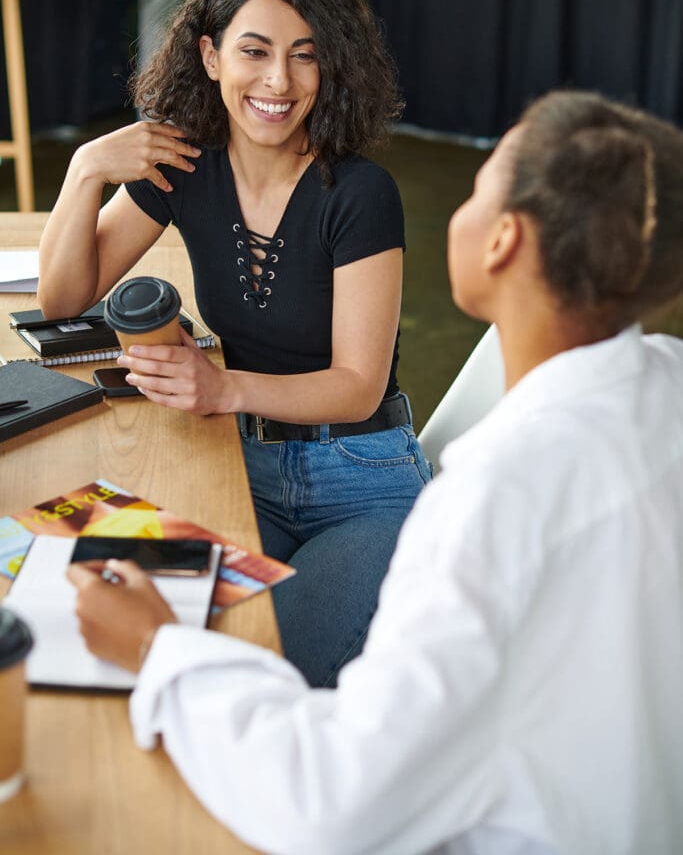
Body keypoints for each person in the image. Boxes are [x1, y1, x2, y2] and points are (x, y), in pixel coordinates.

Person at [66, 88, 683, 853]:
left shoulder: (490, 502)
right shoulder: (666, 384)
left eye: (478, 185)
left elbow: (332, 803)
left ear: (501, 241)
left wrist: (161, 653)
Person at [38, 0, 431, 687]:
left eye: (304, 57)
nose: (278, 82)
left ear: (330, 68)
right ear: (211, 56)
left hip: (360, 482)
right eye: (254, 51)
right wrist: (86, 166)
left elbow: (355, 384)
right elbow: (64, 297)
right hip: (237, 464)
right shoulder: (183, 166)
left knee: (257, 670)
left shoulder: (359, 193)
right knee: (122, 620)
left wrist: (220, 389)